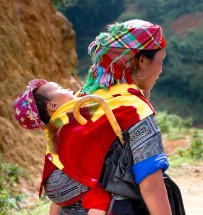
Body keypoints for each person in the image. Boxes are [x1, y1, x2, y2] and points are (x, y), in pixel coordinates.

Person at [62, 19, 171, 214]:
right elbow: (151, 185)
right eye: (160, 61)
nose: (161, 70)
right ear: (143, 60)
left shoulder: (82, 100)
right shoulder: (133, 110)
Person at [14, 79, 111, 215]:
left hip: (53, 185)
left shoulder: (56, 124)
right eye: (60, 88)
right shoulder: (73, 117)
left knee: (59, 199)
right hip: (65, 183)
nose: (67, 88)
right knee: (100, 197)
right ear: (53, 105)